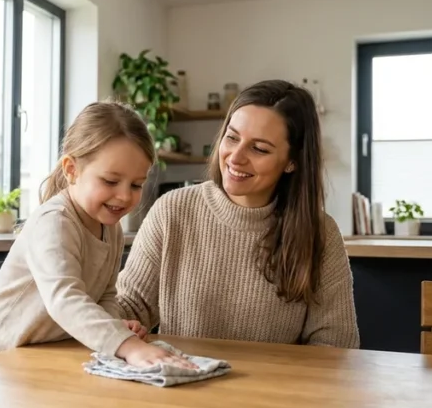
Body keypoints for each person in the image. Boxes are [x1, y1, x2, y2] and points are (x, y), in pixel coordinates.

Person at [114, 80, 360, 348]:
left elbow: (335, 345)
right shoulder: (172, 210)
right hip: (182, 374)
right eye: (232, 137)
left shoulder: (320, 233)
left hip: (272, 377)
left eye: (259, 148)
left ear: (292, 161)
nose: (235, 157)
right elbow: (131, 306)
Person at [0, 101, 196, 368]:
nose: (124, 196)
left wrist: (115, 326)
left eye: (136, 184)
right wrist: (127, 345)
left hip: (37, 358)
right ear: (72, 170)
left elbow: (105, 295)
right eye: (110, 181)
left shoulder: (111, 228)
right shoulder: (54, 222)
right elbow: (65, 300)